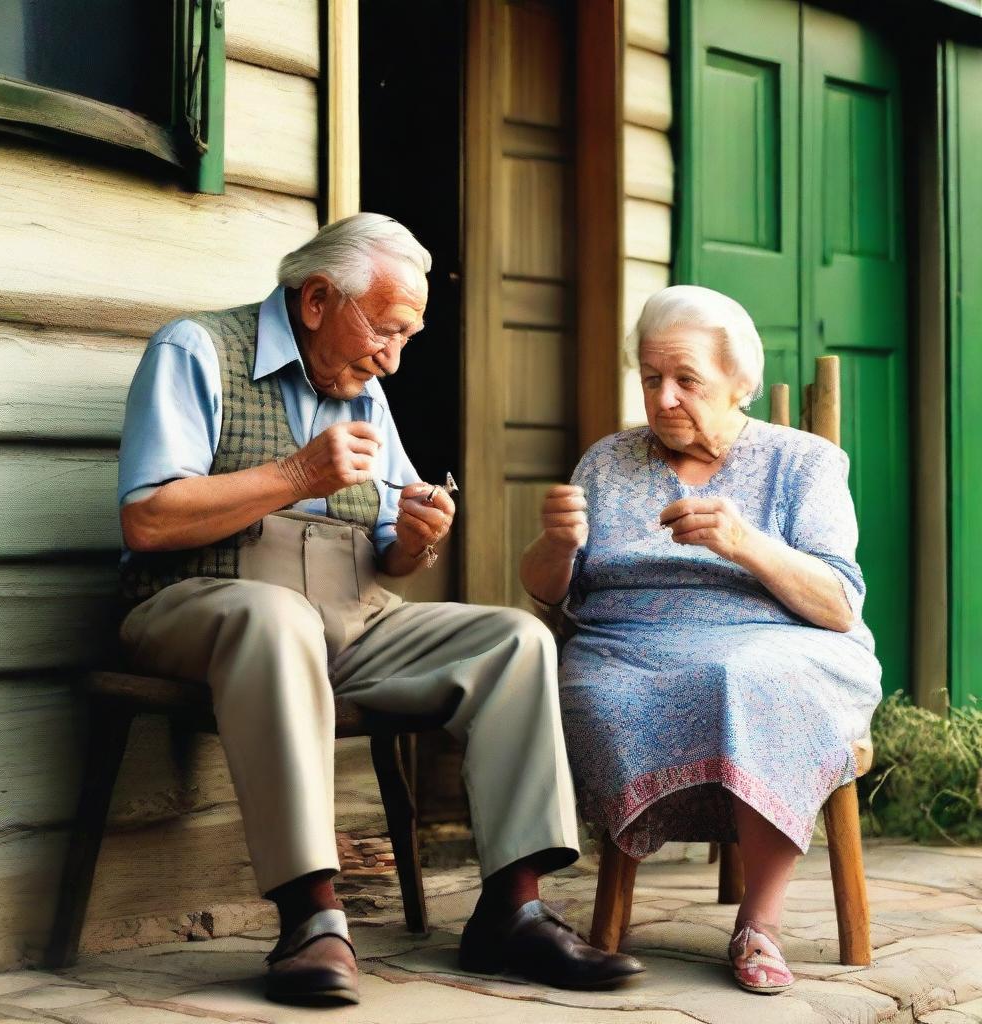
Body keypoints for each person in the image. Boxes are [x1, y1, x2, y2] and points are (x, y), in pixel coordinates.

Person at [116, 213, 642, 1006]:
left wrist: (418, 540)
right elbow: (148, 519)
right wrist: (295, 475)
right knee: (277, 620)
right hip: (197, 606)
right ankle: (313, 920)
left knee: (515, 639)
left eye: (407, 337)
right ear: (319, 298)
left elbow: (390, 544)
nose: (392, 359)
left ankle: (514, 908)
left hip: (349, 617)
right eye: (386, 331)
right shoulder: (195, 350)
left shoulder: (365, 390)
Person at [520, 284, 882, 995]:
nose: (663, 398)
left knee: (749, 680)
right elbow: (549, 590)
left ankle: (759, 925)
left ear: (738, 383)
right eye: (651, 378)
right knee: (593, 687)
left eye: (687, 379)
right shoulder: (606, 462)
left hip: (778, 642)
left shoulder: (803, 463)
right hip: (625, 648)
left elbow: (839, 604)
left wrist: (746, 544)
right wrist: (557, 543)